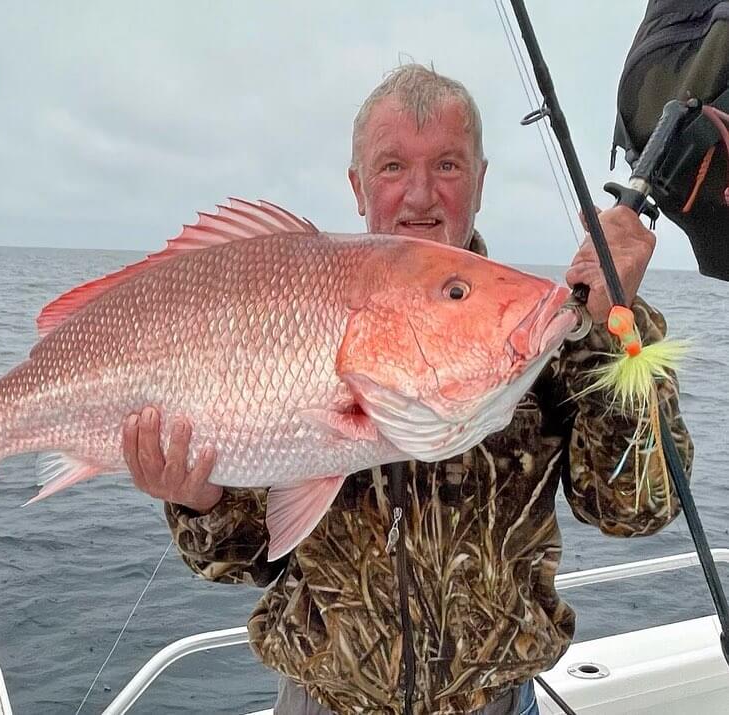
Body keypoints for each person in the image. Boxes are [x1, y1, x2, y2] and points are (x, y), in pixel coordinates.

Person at [121, 64, 694, 714]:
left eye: (448, 165)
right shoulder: (278, 314)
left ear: (479, 181)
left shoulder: (540, 329)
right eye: (392, 166)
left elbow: (637, 509)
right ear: (357, 185)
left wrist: (617, 323)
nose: (420, 195)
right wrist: (198, 500)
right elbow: (243, 559)